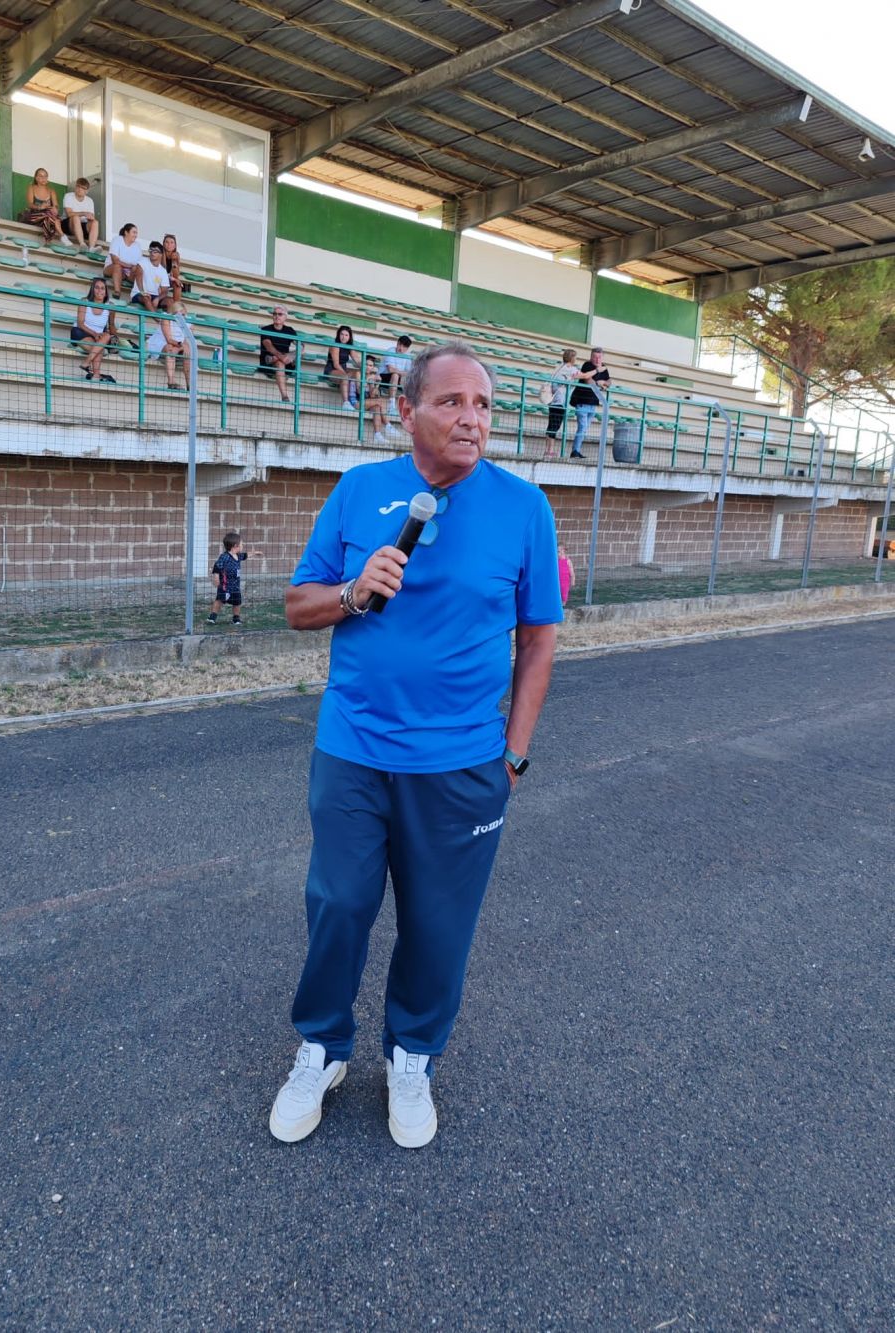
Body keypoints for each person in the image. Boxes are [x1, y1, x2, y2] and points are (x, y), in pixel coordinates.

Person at [269, 341, 562, 1150]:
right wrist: (353, 591)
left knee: (438, 925)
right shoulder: (360, 490)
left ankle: (412, 1054)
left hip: (463, 764)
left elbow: (538, 639)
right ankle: (323, 1048)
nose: (472, 419)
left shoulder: (525, 508)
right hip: (355, 750)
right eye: (451, 402)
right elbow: (297, 606)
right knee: (339, 904)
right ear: (407, 411)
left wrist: (513, 754)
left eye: (484, 405)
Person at [206, 531, 261, 626]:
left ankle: (236, 618)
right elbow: (217, 566)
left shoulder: (238, 556)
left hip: (235, 586)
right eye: (242, 544)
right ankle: (212, 617)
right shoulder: (225, 557)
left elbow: (245, 555)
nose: (243, 546)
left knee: (237, 602)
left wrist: (254, 553)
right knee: (219, 600)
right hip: (225, 586)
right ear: (236, 546)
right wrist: (216, 577)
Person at [69, 277, 117, 384]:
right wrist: (95, 334)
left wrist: (115, 337)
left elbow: (112, 325)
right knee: (99, 348)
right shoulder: (84, 301)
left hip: (99, 338)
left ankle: (88, 365)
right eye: (97, 288)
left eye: (102, 288)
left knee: (106, 336)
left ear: (106, 291)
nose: (100, 291)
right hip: (81, 332)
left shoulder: (110, 306)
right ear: (92, 289)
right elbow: (80, 324)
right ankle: (95, 374)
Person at [569, 347, 610, 459]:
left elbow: (609, 381)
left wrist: (604, 382)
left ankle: (576, 450)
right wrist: (598, 383)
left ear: (602, 358)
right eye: (595, 357)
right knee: (582, 427)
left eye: (599, 357)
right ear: (591, 357)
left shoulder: (604, 367)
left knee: (584, 429)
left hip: (593, 403)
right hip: (582, 401)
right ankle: (575, 451)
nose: (597, 359)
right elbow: (588, 380)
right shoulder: (587, 365)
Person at [146, 300, 191, 390]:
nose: (182, 317)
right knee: (170, 348)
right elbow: (169, 340)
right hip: (161, 344)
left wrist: (181, 347)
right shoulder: (166, 318)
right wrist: (181, 345)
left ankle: (189, 385)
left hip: (178, 346)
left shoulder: (189, 322)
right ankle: (171, 382)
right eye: (179, 314)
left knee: (188, 351)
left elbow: (187, 341)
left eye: (183, 314)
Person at [19, 168, 69, 245]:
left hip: (47, 217)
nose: (43, 178)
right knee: (48, 215)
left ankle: (48, 241)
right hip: (34, 216)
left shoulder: (51, 191)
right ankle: (62, 235)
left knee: (49, 217)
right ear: (36, 178)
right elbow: (30, 204)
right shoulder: (32, 188)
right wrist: (40, 207)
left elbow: (56, 206)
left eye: (45, 176)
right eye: (41, 176)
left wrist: (55, 209)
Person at [258, 305, 298, 402]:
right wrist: (280, 357)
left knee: (292, 356)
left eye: (280, 314)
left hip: (284, 361)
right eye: (275, 314)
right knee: (279, 363)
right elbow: (268, 346)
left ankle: (277, 359)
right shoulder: (266, 329)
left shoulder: (290, 330)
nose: (277, 316)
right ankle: (284, 396)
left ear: (285, 317)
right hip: (267, 363)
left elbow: (301, 346)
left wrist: (291, 355)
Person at [544, 349, 580, 457]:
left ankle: (547, 449)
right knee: (555, 426)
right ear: (572, 358)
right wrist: (596, 371)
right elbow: (582, 375)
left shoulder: (559, 367)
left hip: (553, 401)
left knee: (551, 425)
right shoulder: (569, 369)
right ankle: (550, 450)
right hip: (559, 402)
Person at [322, 325, 361, 411]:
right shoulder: (335, 345)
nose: (343, 337)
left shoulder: (349, 347)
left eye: (346, 335)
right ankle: (346, 403)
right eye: (342, 334)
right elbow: (336, 364)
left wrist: (366, 366)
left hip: (343, 370)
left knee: (357, 374)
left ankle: (356, 401)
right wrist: (346, 375)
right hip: (332, 370)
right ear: (338, 335)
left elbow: (358, 361)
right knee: (345, 377)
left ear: (349, 337)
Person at [364, 355, 400, 445]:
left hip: (368, 403)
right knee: (381, 401)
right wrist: (367, 379)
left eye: (370, 365)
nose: (368, 367)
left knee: (377, 407)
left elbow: (373, 395)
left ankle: (378, 435)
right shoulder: (358, 374)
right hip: (357, 402)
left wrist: (377, 384)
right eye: (366, 364)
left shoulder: (371, 377)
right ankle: (388, 425)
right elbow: (359, 391)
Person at [130, 241, 172, 312]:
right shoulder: (142, 261)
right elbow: (138, 278)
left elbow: (165, 291)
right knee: (146, 298)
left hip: (154, 296)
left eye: (155, 251)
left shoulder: (163, 271)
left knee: (170, 301)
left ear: (161, 254)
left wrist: (158, 298)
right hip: (139, 294)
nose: (152, 253)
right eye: (151, 250)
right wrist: (143, 293)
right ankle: (156, 318)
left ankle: (168, 319)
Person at [104, 223, 141, 301]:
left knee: (139, 270)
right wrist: (129, 266)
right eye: (134, 232)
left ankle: (140, 295)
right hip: (112, 268)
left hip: (128, 273)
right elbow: (115, 260)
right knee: (118, 266)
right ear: (126, 232)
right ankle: (117, 292)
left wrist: (134, 268)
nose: (135, 235)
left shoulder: (137, 245)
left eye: (136, 233)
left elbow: (138, 264)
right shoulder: (117, 240)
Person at [379, 335, 413, 418]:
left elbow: (410, 372)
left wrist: (402, 373)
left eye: (404, 347)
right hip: (382, 377)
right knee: (395, 375)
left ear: (407, 348)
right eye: (400, 345)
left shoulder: (407, 355)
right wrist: (402, 373)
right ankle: (392, 405)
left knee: (411, 379)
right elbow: (390, 369)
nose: (401, 348)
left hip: (398, 378)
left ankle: (410, 408)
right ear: (397, 343)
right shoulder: (391, 350)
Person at [60, 178, 99, 250]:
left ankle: (92, 248)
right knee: (76, 217)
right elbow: (69, 214)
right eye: (78, 186)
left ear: (87, 191)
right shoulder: (68, 196)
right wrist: (83, 213)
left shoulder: (89, 200)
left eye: (83, 188)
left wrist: (90, 217)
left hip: (82, 225)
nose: (80, 189)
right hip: (68, 224)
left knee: (95, 222)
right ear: (75, 187)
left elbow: (92, 217)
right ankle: (82, 244)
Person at [161, 234, 189, 304]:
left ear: (175, 245)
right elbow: (161, 272)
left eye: (171, 242)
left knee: (178, 285)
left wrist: (174, 261)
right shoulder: (160, 253)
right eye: (167, 242)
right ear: (163, 244)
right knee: (175, 281)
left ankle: (176, 306)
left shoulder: (176, 255)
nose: (169, 245)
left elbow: (176, 275)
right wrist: (174, 279)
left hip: (169, 279)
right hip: (158, 278)